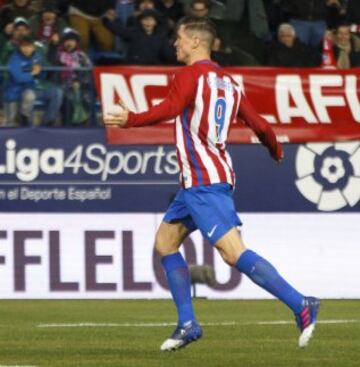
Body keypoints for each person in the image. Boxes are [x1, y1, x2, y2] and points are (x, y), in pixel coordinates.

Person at [104, 16, 320, 351]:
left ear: (194, 41)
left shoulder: (191, 74)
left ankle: (301, 304)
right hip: (200, 181)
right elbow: (260, 124)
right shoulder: (229, 83)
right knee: (165, 243)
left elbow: (172, 108)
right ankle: (187, 323)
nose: (174, 43)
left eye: (178, 38)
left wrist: (131, 120)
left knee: (233, 254)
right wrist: (275, 149)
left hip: (204, 182)